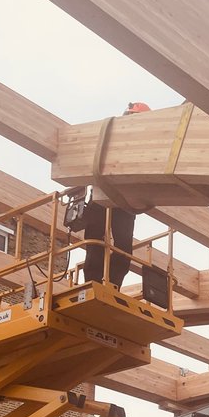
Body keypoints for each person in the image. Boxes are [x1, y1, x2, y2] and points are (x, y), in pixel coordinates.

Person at [81, 103, 150, 288]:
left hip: (125, 200)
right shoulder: (108, 138)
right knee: (95, 241)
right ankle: (93, 283)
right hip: (103, 195)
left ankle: (112, 285)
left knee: (123, 247)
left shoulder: (145, 147)